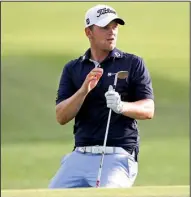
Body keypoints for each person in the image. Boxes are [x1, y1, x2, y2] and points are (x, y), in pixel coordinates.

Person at [49, 4, 155, 188]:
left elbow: (148, 109)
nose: (112, 32)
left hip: (118, 156)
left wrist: (122, 106)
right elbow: (61, 116)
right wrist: (83, 91)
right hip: (79, 155)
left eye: (115, 27)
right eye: (105, 27)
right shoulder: (73, 68)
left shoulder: (133, 63)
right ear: (88, 32)